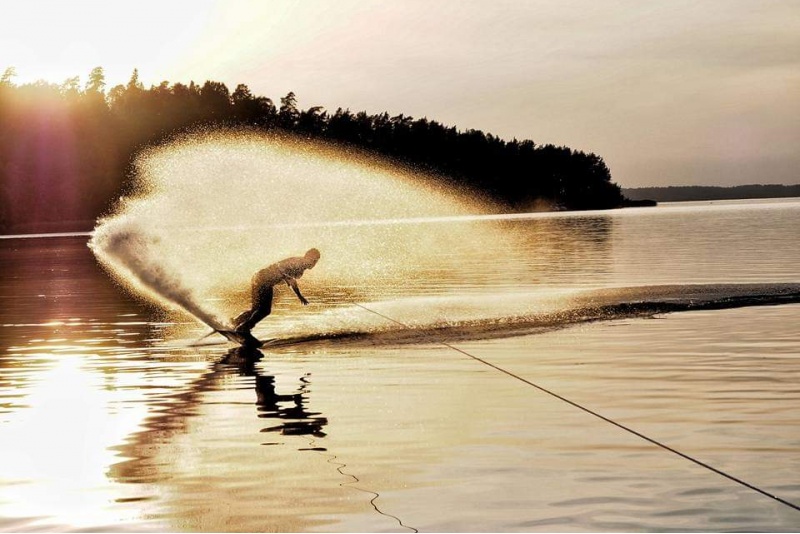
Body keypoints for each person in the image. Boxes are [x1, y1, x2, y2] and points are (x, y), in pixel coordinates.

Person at [232, 248, 321, 335]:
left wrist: (300, 296)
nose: (314, 264)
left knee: (256, 309)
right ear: (307, 257)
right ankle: (244, 328)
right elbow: (289, 278)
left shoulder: (300, 266)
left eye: (316, 261)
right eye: (313, 260)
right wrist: (299, 296)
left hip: (258, 277)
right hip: (264, 280)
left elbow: (290, 280)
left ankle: (235, 322)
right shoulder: (298, 263)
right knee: (265, 310)